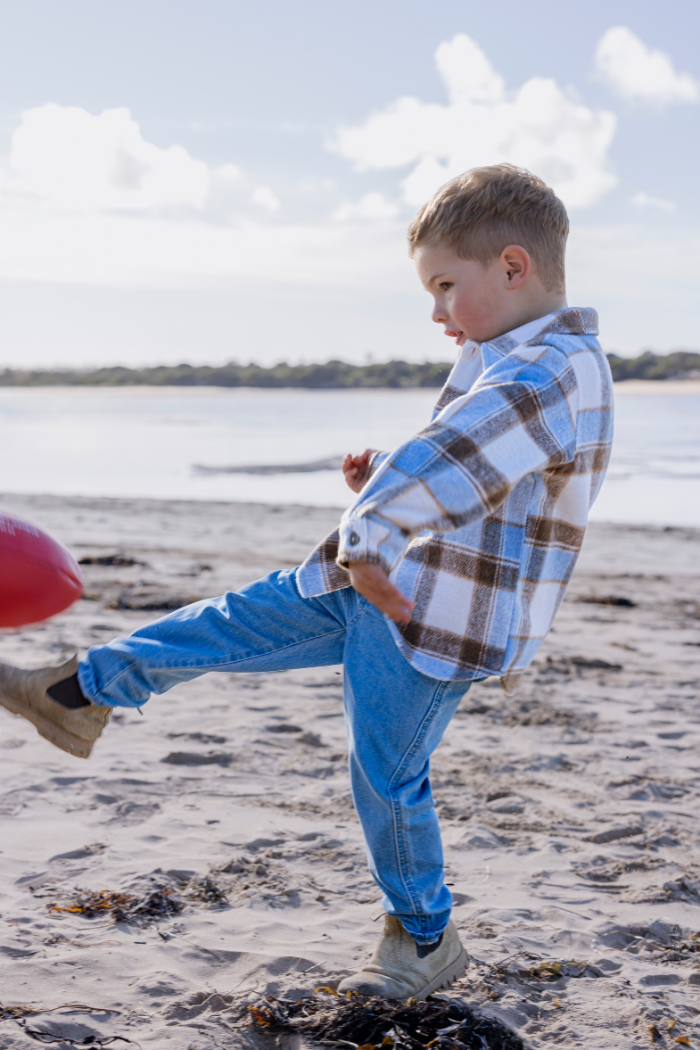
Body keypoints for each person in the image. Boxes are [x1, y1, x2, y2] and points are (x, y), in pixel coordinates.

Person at [0, 164, 613, 999]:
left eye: (444, 286)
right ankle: (78, 694)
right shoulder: (511, 357)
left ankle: (426, 940)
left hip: (431, 620)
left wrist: (380, 518)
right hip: (387, 577)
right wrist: (382, 485)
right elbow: (471, 471)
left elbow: (455, 461)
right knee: (224, 622)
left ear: (514, 267)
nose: (435, 312)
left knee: (386, 778)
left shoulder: (552, 372)